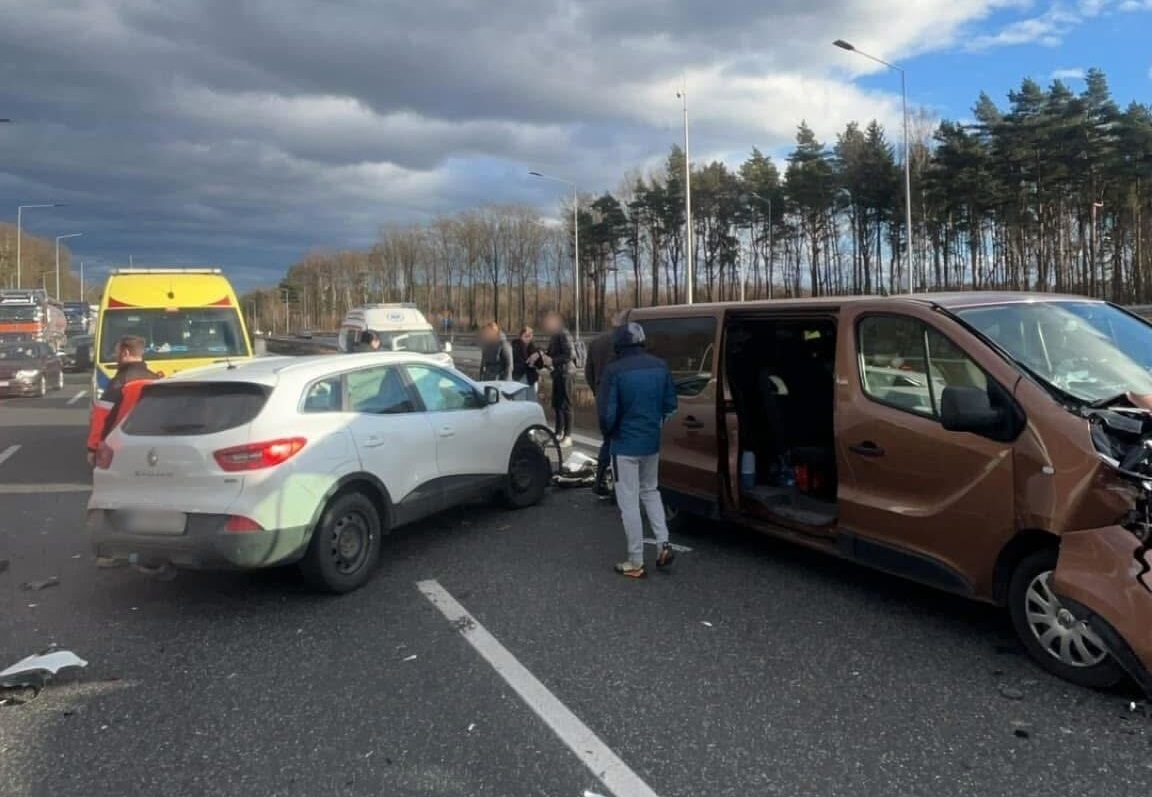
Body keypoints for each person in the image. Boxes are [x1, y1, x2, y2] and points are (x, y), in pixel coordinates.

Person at [597, 322, 678, 578]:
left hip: (624, 445)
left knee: (629, 502)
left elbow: (607, 414)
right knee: (651, 492)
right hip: (651, 442)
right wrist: (654, 426)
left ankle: (635, 560)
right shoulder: (660, 366)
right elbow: (670, 405)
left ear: (619, 345)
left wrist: (610, 435)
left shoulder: (614, 371)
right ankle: (664, 544)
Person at [86, 335, 160, 465]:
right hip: (154, 442)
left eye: (116, 353)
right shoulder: (155, 379)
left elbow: (102, 416)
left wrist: (93, 448)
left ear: (125, 353)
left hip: (122, 443)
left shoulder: (119, 382)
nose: (115, 357)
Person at [585, 309, 628, 497]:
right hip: (620, 395)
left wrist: (597, 390)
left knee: (607, 439)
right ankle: (619, 485)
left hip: (602, 394)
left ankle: (600, 479)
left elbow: (588, 372)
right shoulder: (626, 342)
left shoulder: (596, 342)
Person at [539, 311, 575, 446]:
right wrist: (543, 355)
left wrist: (552, 360)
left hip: (566, 373)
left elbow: (570, 354)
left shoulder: (564, 334)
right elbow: (552, 353)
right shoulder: (555, 335)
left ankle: (568, 435)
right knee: (557, 404)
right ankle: (558, 432)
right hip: (558, 373)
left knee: (566, 404)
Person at [511, 326, 542, 394]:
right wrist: (531, 363)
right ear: (521, 336)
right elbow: (524, 362)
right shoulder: (517, 345)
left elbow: (539, 365)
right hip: (520, 376)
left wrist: (538, 354)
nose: (528, 338)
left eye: (530, 336)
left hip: (530, 378)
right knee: (521, 399)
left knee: (531, 400)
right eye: (526, 336)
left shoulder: (532, 347)